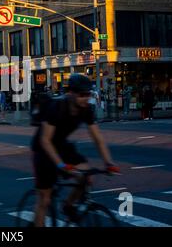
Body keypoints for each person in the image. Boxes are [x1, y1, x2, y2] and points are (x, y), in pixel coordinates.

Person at [31, 74, 119, 227]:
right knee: (45, 199)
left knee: (86, 177)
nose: (85, 98)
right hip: (43, 149)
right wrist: (61, 165)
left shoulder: (86, 110)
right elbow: (45, 140)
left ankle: (68, 205)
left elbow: (97, 138)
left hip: (62, 146)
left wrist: (108, 162)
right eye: (81, 94)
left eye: (88, 94)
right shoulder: (56, 108)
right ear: (70, 93)